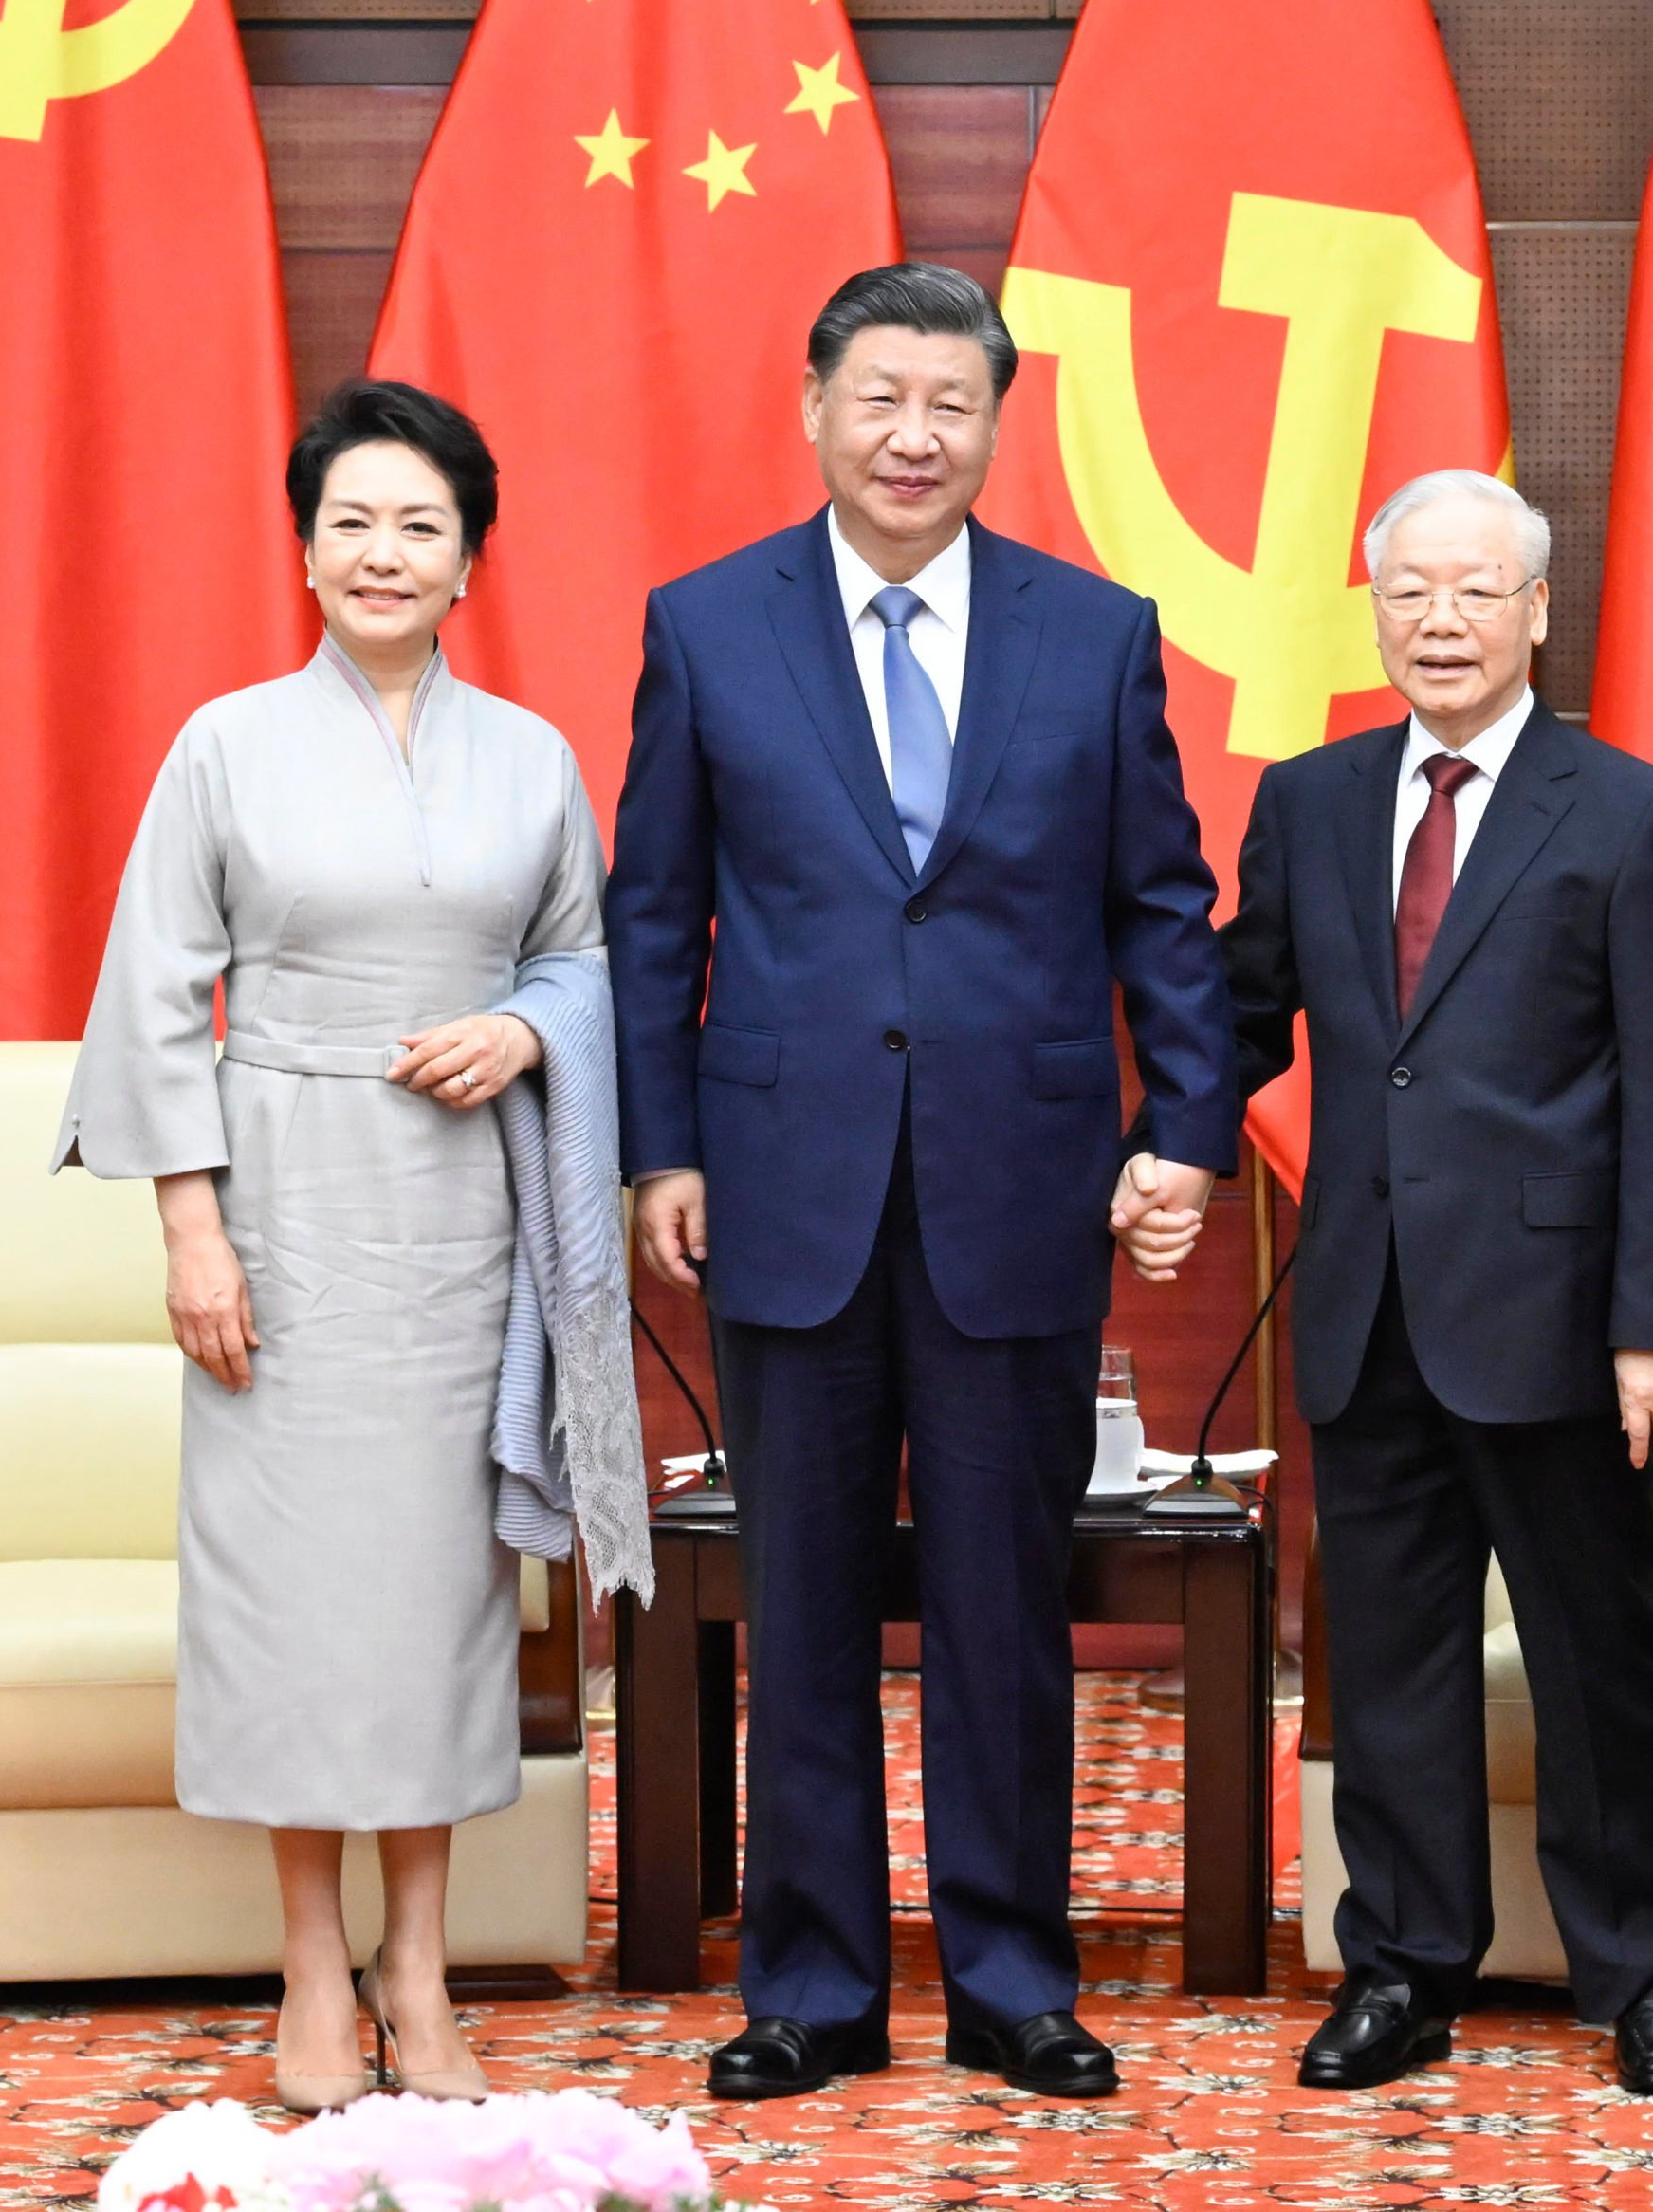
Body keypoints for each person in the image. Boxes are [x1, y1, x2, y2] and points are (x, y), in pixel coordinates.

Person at [607, 261, 1240, 2104]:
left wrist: (1185, 1127)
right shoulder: (708, 624)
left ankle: (1010, 1975)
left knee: (999, 1600)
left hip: (1017, 1178)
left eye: (948, 401)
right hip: (782, 1182)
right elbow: (657, 914)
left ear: (991, 420)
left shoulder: (1092, 630)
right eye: (878, 395)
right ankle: (804, 1984)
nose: (910, 432)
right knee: (796, 1599)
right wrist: (661, 1143)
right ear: (811, 405)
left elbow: (1161, 909)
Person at [56, 379, 648, 2115]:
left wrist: (527, 1037)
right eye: (351, 523)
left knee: (437, 1607)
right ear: (306, 548)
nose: (384, 554)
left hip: (463, 1217)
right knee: (293, 1602)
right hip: (284, 1202)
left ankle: (423, 1965)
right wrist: (193, 1235)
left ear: (471, 559)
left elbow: (585, 966)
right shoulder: (224, 744)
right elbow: (157, 997)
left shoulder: (532, 758)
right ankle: (312, 1965)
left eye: (421, 526)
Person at [1219, 470, 1653, 2099]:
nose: (1439, 621)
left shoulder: (1634, 810)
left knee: (1597, 1656)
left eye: (1472, 591)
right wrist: (1154, 1133)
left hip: (1559, 1323)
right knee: (1393, 1662)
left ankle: (1641, 1971)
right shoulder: (1307, 800)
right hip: (1365, 1304)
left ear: (1537, 612)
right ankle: (1404, 1968)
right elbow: (1244, 1011)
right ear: (1375, 613)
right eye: (1408, 594)